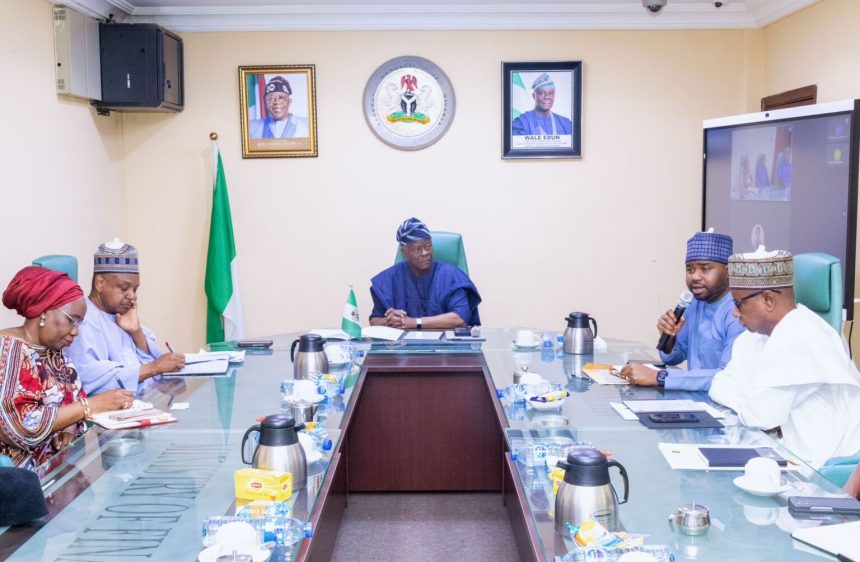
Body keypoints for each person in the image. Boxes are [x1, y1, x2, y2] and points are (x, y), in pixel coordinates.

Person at [709, 248, 860, 467]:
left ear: (768, 300)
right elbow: (719, 384)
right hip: (780, 456)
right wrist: (750, 403)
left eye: (738, 303)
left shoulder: (802, 335)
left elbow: (758, 416)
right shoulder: (753, 337)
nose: (734, 313)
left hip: (820, 473)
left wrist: (751, 405)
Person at [0, 267, 131, 469]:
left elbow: (72, 400)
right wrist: (90, 406)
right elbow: (20, 428)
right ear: (44, 311)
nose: (76, 331)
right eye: (72, 320)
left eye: (79, 323)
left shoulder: (56, 353)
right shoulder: (9, 350)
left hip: (56, 475)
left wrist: (68, 431)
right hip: (17, 483)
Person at [619, 231, 744, 391]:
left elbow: (727, 378)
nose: (695, 277)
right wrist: (670, 338)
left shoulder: (739, 312)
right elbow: (675, 358)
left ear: (728, 271)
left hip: (724, 404)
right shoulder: (694, 303)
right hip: (695, 398)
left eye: (705, 269)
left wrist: (658, 377)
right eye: (690, 270)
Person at [67, 240, 185, 396]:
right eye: (124, 288)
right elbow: (91, 381)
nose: (132, 296)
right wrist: (153, 368)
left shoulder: (119, 314)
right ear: (100, 283)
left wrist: (136, 333)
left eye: (135, 289)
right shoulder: (83, 322)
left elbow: (153, 367)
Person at [369, 218, 481, 330]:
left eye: (428, 246)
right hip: (403, 346)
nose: (425, 253)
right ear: (404, 252)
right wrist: (388, 321)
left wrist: (415, 322)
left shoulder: (451, 275)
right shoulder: (390, 278)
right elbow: (374, 321)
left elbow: (460, 318)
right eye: (417, 249)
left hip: (446, 345)